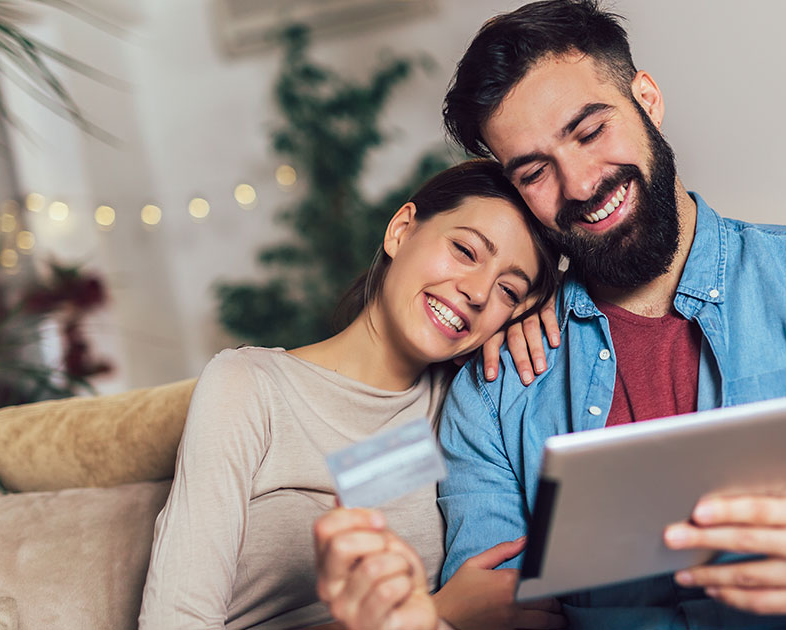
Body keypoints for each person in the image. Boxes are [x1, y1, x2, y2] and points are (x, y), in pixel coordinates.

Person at [315, 2, 786, 629]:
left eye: (590, 130)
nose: (581, 183)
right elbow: (496, 612)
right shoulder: (500, 383)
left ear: (648, 100)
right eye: (534, 171)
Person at [138, 160, 567, 630]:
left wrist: (554, 305)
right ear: (401, 230)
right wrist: (439, 613)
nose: (479, 292)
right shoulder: (249, 387)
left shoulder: (463, 413)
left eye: (508, 289)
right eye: (465, 250)